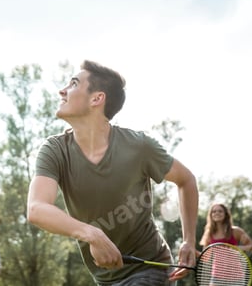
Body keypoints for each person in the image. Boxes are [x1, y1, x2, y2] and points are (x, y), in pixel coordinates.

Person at [26, 60, 199, 285]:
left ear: (97, 98)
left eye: (73, 84)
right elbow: (36, 209)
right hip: (105, 280)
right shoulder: (55, 150)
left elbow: (186, 180)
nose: (62, 90)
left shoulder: (139, 146)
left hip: (151, 269)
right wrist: (91, 233)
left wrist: (189, 241)